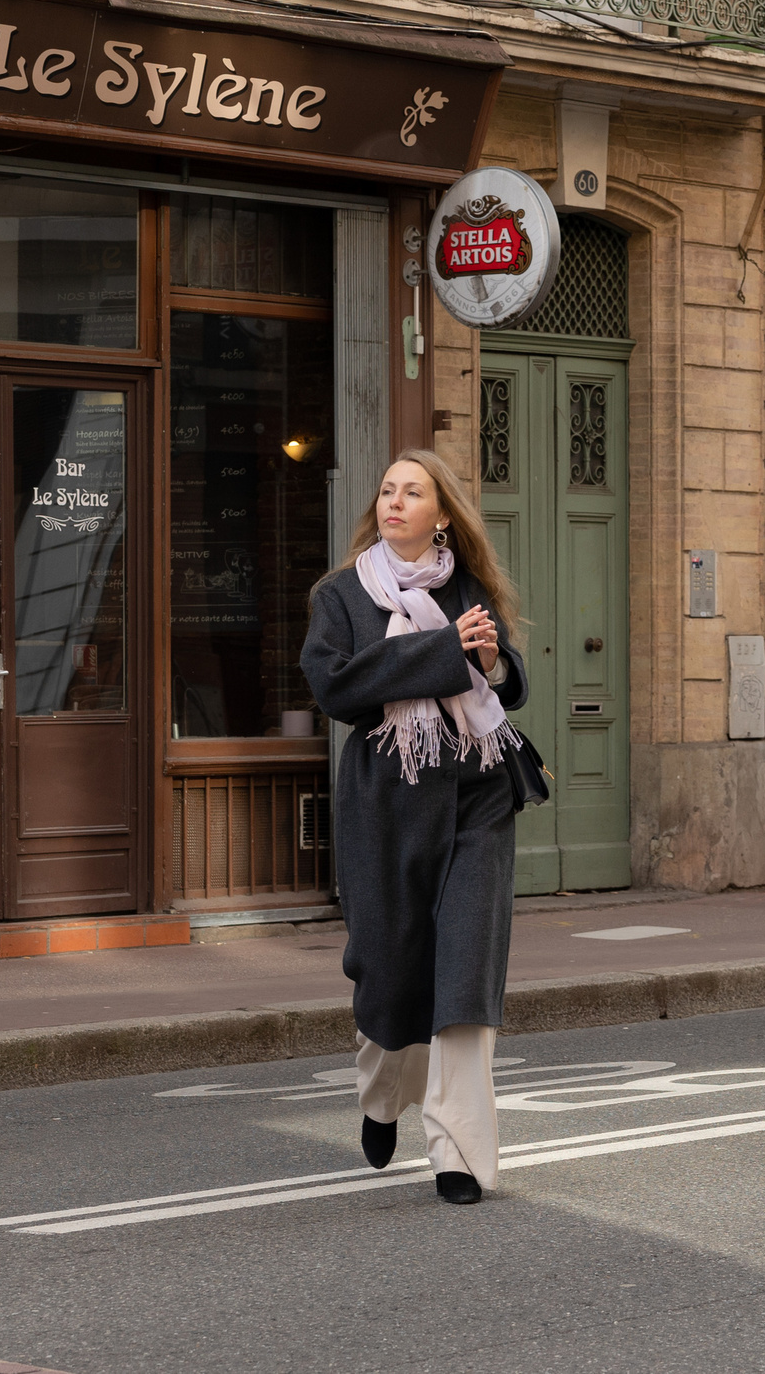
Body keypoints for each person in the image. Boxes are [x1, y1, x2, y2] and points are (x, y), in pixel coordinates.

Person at [300, 449, 530, 1205]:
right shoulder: (340, 595)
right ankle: (379, 1096)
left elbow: (507, 678)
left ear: (441, 512)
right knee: (388, 968)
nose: (395, 501)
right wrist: (443, 650)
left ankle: (458, 1154)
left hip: (477, 794)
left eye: (414, 491)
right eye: (388, 489)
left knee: (464, 977)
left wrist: (491, 663)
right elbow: (337, 685)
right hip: (386, 806)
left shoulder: (466, 586)